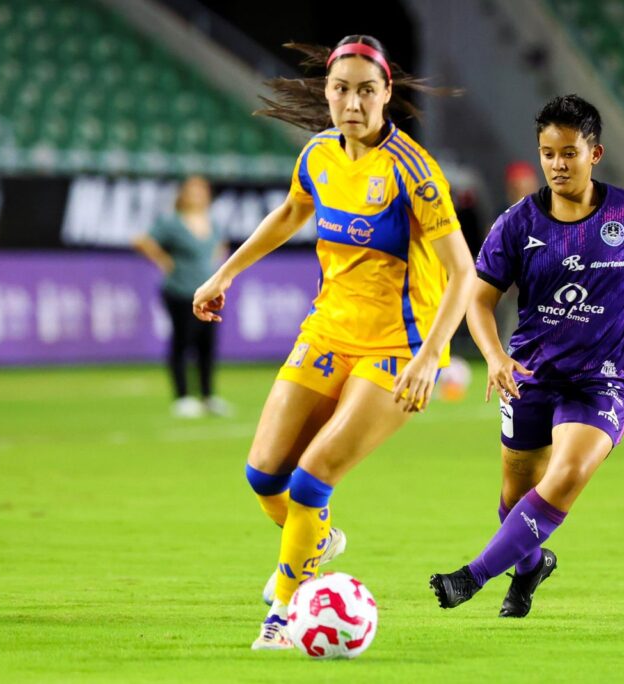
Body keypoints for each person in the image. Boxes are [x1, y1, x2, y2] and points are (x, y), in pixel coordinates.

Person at [191, 35, 475, 649]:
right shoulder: (317, 154)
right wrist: (225, 273)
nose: (353, 102)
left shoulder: (414, 172)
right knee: (264, 476)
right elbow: (294, 212)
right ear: (327, 92)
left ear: (387, 94)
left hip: (398, 350)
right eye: (342, 89)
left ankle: (288, 611)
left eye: (366, 90)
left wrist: (430, 357)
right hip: (327, 332)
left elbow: (464, 273)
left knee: (312, 479)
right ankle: (314, 540)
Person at [429, 94, 624, 617]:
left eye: (569, 153)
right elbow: (480, 299)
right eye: (547, 153)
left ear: (595, 153)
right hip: (529, 376)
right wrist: (493, 356)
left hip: (602, 383)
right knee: (515, 500)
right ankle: (531, 566)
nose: (557, 164)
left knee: (566, 475)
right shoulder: (517, 223)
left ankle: (471, 578)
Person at [133, 176, 230, 418]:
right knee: (182, 341)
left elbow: (220, 247)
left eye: (202, 190)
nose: (197, 195)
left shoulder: (213, 222)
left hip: (209, 293)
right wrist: (164, 261)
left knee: (207, 344)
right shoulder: (171, 222)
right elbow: (142, 241)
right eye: (192, 190)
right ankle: (183, 396)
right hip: (180, 290)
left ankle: (208, 395)